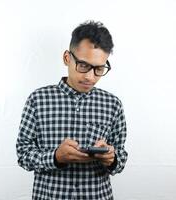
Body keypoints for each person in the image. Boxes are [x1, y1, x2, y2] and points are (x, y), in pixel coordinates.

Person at [16, 20, 128, 200]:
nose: (90, 77)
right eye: (83, 65)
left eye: (99, 68)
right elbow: (23, 154)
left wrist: (111, 158)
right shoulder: (37, 100)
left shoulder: (113, 104)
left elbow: (121, 157)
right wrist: (55, 157)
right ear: (67, 58)